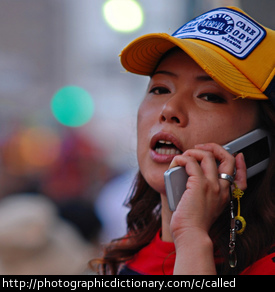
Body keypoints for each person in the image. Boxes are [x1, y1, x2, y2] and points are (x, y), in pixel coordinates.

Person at [92, 6, 275, 275]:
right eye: (160, 89)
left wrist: (192, 238)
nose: (169, 109)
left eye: (209, 96)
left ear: (259, 142)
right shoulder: (122, 254)